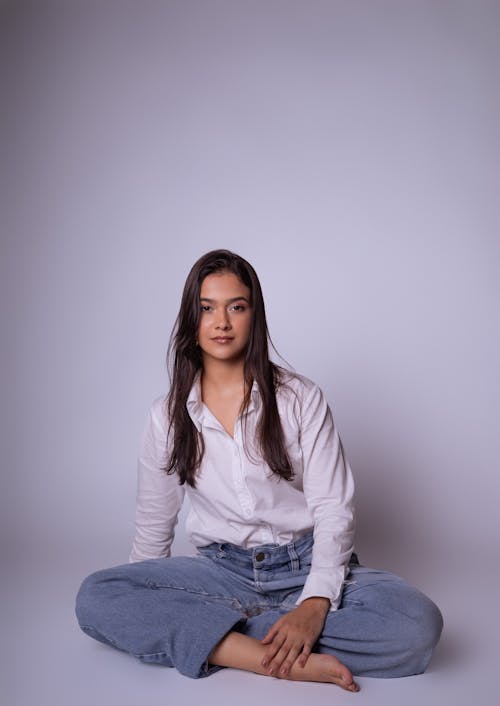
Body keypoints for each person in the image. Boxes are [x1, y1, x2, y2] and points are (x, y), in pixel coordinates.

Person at [75, 249, 443, 691]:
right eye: (206, 308)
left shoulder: (300, 398)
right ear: (191, 319)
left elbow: (333, 508)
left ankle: (223, 635)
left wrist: (315, 602)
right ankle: (259, 655)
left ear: (255, 316)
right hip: (220, 571)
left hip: (304, 564)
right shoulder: (167, 416)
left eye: (237, 307)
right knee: (97, 596)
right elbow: (154, 525)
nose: (221, 322)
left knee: (417, 625)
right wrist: (145, 593)